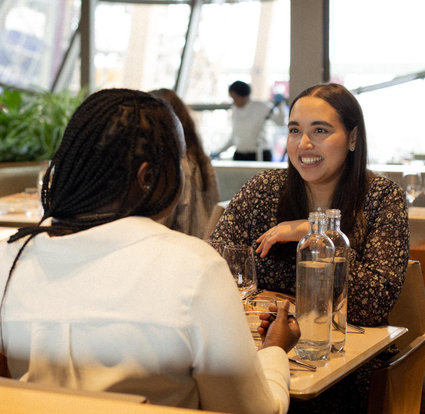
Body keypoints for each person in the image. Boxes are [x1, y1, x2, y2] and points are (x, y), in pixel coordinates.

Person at [0, 88, 299, 413]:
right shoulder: (194, 269)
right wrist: (274, 350)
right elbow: (250, 411)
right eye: (178, 162)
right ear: (148, 177)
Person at [209, 82, 409, 413]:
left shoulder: (382, 199)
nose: (304, 144)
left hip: (344, 367)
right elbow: (215, 261)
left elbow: (374, 303)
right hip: (256, 351)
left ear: (353, 138)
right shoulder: (265, 189)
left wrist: (318, 234)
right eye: (294, 130)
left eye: (320, 130)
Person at [150, 88, 220, 239]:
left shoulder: (172, 164)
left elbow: (157, 227)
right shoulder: (202, 160)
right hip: (205, 245)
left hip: (177, 250)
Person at [215, 81, 284, 161]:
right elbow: (234, 137)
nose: (233, 102)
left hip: (260, 155)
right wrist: (219, 151)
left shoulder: (262, 107)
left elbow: (280, 122)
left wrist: (281, 105)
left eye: (235, 98)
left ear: (244, 96)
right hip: (240, 155)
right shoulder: (235, 111)